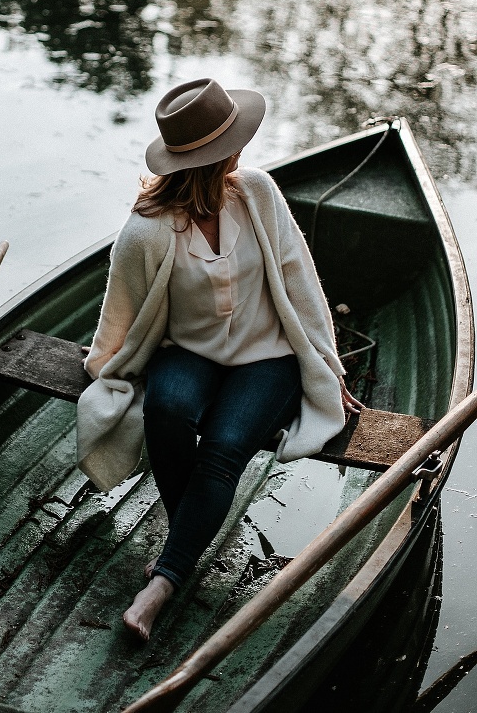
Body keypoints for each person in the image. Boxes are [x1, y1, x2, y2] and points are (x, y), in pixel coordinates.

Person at [76, 77, 362, 641]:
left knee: (227, 446)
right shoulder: (147, 231)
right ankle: (193, 532)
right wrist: (106, 368)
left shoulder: (256, 193)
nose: (243, 148)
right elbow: (121, 314)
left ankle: (162, 581)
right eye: (235, 138)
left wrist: (328, 368)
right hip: (190, 352)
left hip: (268, 355)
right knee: (167, 410)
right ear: (217, 152)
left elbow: (299, 284)